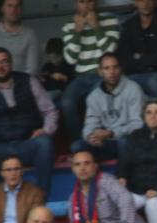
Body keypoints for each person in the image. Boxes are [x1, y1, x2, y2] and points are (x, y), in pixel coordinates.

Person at [0, 47, 59, 194]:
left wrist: (47, 130)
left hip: (27, 144)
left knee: (45, 142)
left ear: (11, 63)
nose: (0, 66)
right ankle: (2, 198)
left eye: (4, 61)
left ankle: (41, 197)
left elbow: (50, 110)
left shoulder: (28, 80)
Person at [60, 0, 122, 143]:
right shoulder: (69, 25)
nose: (87, 5)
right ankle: (80, 143)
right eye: (82, 1)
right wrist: (77, 31)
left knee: (95, 98)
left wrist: (96, 27)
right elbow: (70, 59)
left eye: (90, 1)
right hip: (81, 77)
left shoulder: (110, 20)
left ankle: (102, 141)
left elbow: (110, 52)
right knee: (66, 103)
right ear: (76, 3)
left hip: (104, 75)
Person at [78, 53, 144, 161]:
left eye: (115, 67)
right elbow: (90, 123)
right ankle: (96, 176)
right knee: (78, 146)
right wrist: (91, 136)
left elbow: (138, 124)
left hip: (127, 141)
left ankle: (123, 175)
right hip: (106, 143)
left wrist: (112, 133)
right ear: (100, 72)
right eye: (107, 68)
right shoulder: (93, 96)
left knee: (124, 142)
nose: (112, 72)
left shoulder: (134, 89)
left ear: (120, 69)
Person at [0, 0, 42, 88]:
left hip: (22, 91)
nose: (13, 10)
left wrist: (19, 91)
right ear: (2, 8)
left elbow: (32, 69)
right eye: (9, 6)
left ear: (21, 9)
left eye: (17, 6)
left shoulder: (30, 35)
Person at [118, 0, 157, 99]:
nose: (145, 4)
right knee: (121, 84)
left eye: (149, 0)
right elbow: (124, 60)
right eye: (141, 0)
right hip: (136, 74)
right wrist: (152, 58)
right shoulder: (129, 26)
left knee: (154, 82)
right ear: (135, 3)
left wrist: (139, 57)